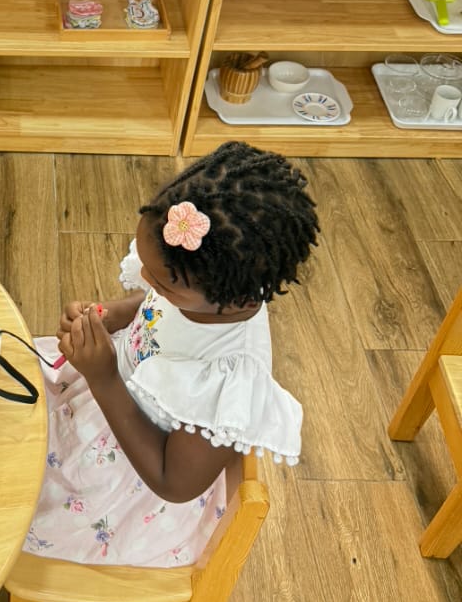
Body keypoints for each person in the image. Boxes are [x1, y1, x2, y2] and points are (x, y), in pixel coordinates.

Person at [24, 141, 320, 567]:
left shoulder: (230, 376)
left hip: (128, 483)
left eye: (161, 282)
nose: (145, 278)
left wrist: (104, 377)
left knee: (9, 497)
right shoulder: (200, 287)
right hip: (101, 397)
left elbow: (173, 483)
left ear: (229, 297)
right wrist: (107, 316)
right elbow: (153, 308)